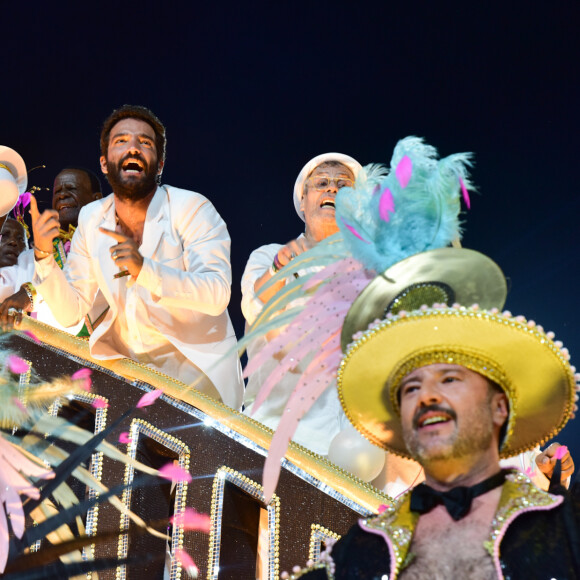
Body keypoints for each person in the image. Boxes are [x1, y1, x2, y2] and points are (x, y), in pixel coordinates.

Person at [289, 304, 579, 579]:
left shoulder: (565, 527)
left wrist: (543, 476)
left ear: (499, 407)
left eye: (450, 379)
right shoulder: (359, 549)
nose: (426, 396)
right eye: (411, 387)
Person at [1, 105, 243, 409]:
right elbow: (72, 311)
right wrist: (45, 257)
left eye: (145, 143)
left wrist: (146, 270)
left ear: (159, 164)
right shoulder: (91, 219)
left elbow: (217, 293)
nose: (134, 148)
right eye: (121, 141)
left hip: (197, 385)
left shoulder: (192, 208)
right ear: (104, 163)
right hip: (126, 381)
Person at [241, 153, 362, 454]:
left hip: (341, 447)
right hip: (268, 430)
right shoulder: (268, 255)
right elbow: (257, 308)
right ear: (304, 201)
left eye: (343, 185)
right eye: (322, 183)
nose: (333, 190)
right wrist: (279, 267)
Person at [0, 167, 103, 334]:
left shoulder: (110, 240)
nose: (62, 195)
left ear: (96, 199)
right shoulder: (30, 258)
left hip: (109, 355)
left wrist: (30, 294)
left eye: (71, 189)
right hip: (45, 353)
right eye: (57, 192)